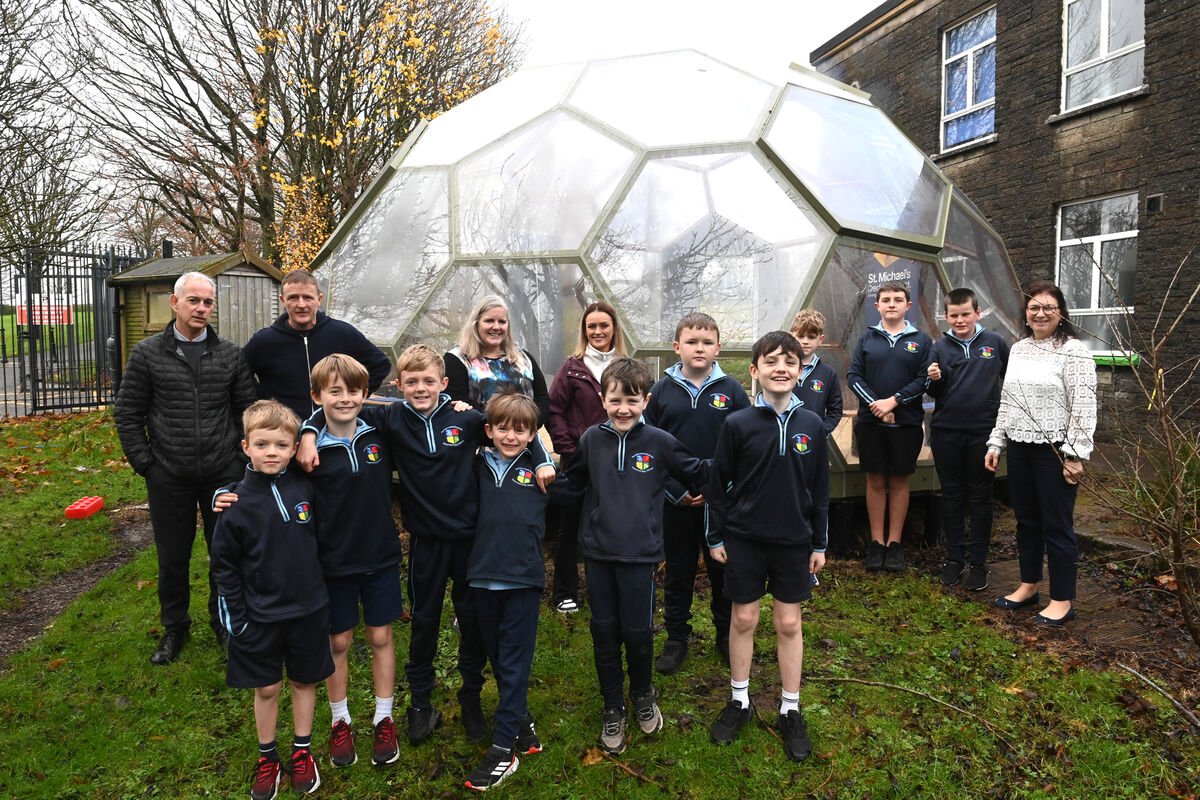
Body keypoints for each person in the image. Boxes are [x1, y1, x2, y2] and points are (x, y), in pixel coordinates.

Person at [297, 344, 554, 747]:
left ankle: (470, 696)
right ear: (399, 386)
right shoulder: (390, 417)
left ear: (444, 383)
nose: (420, 388)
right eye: (411, 382)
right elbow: (338, 408)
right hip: (425, 543)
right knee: (424, 622)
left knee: (473, 624)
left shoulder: (465, 418)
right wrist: (308, 434)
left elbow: (515, 423)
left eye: (428, 381)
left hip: (470, 542)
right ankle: (420, 702)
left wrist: (541, 459)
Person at [564, 357, 708, 756]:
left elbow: (697, 471)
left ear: (645, 400)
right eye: (615, 400)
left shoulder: (660, 442)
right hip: (598, 553)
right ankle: (613, 705)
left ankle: (643, 693)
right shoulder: (592, 439)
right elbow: (571, 482)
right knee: (604, 631)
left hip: (640, 555)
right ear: (602, 399)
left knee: (639, 634)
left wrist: (743, 456)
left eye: (631, 400)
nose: (623, 408)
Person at [114, 270, 257, 665]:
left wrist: (240, 461)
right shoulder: (147, 354)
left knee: (225, 553)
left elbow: (247, 411)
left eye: (208, 302)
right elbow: (128, 414)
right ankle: (175, 628)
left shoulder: (230, 353)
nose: (201, 308)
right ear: (175, 303)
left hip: (221, 472)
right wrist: (147, 465)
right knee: (172, 557)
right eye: (194, 300)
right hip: (169, 475)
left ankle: (224, 623)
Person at [705, 331, 829, 762]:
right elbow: (717, 485)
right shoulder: (737, 423)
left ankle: (789, 708)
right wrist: (716, 535)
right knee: (743, 617)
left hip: (794, 542)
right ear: (754, 371)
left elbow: (819, 487)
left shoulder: (812, 424)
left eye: (790, 362)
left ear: (800, 371)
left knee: (789, 623)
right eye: (772, 361)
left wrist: (820, 542)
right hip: (744, 538)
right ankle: (739, 700)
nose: (781, 368)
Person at [211, 400, 334, 799]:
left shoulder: (306, 486)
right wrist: (237, 622)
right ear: (245, 446)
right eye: (262, 444)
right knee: (266, 689)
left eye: (281, 445)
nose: (271, 453)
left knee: (304, 680)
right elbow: (224, 567)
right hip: (259, 617)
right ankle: (267, 758)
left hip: (308, 611)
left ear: (294, 446)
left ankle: (302, 752)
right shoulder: (233, 504)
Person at [644, 312, 749, 674]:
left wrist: (720, 489)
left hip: (719, 501)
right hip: (676, 501)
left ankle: (725, 633)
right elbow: (649, 445)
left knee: (723, 568)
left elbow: (745, 445)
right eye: (691, 342)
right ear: (677, 347)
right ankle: (676, 638)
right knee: (679, 569)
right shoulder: (660, 391)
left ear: (718, 347)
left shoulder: (732, 390)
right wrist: (673, 490)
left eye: (706, 342)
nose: (699, 348)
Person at [985, 281, 1096, 626]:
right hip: (1019, 447)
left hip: (1056, 452)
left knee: (1057, 526)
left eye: (1048, 307)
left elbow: (1084, 403)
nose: (1040, 313)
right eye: (1034, 307)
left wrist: (1075, 453)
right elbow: (1008, 400)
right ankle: (1028, 585)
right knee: (1026, 522)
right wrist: (996, 442)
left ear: (1061, 313)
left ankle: (1062, 600)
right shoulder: (1018, 350)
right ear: (1026, 313)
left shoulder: (1074, 351)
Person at [463, 393, 553, 791]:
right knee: (498, 657)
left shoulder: (539, 471)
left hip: (522, 580)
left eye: (521, 430)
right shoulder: (477, 462)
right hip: (482, 576)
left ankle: (504, 750)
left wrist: (544, 456)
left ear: (533, 435)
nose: (511, 435)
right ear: (489, 429)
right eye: (502, 428)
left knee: (515, 661)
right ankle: (522, 726)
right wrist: (467, 409)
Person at [546, 302, 627, 614]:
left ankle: (609, 590)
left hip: (617, 464)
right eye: (591, 327)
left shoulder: (624, 365)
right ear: (584, 331)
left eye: (603, 325)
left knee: (614, 526)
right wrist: (570, 451)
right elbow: (554, 412)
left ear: (614, 329)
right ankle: (565, 591)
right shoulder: (571, 368)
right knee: (571, 528)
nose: (597, 332)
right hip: (579, 465)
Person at [927, 288, 1010, 592]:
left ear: (977, 313)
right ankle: (954, 559)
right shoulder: (939, 347)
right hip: (946, 432)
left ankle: (978, 563)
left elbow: (1011, 380)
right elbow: (933, 393)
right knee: (951, 497)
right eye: (954, 315)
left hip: (984, 434)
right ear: (946, 317)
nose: (960, 320)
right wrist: (934, 380)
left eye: (965, 314)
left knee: (980, 497)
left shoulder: (995, 343)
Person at [847, 281, 933, 573]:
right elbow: (854, 376)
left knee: (898, 481)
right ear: (878, 306)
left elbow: (924, 379)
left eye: (898, 299)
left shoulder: (921, 340)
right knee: (875, 481)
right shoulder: (866, 339)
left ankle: (895, 544)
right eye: (886, 299)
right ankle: (876, 543)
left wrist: (893, 402)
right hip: (871, 424)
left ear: (908, 306)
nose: (892, 303)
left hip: (906, 423)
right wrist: (877, 406)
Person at [242, 270, 392, 420]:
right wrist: (264, 402)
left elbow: (380, 364)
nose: (301, 304)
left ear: (319, 299)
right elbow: (240, 373)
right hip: (286, 431)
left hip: (336, 428)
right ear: (282, 300)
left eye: (307, 297)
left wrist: (355, 396)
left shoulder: (342, 333)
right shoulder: (264, 341)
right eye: (293, 298)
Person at [444, 295, 551, 426]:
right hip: (479, 440)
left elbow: (542, 399)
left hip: (525, 439)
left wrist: (524, 429)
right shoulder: (456, 360)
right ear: (476, 324)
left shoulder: (523, 357)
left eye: (502, 321)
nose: (496, 327)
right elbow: (457, 404)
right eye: (489, 321)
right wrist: (501, 430)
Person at [789, 309, 843, 437]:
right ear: (791, 336)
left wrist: (822, 431)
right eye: (800, 336)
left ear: (820, 339)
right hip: (783, 438)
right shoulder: (781, 369)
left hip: (814, 440)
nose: (805, 341)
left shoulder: (828, 372)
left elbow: (835, 409)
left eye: (811, 337)